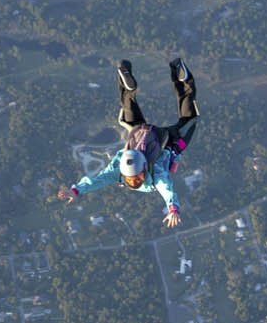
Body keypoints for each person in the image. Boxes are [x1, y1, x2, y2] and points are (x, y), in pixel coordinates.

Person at [58, 59, 199, 229]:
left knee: (190, 119)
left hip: (170, 143)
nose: (134, 182)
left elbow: (166, 188)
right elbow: (96, 181)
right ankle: (128, 89)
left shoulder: (143, 174)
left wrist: (173, 208)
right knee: (129, 107)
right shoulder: (119, 172)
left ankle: (183, 81)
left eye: (133, 179)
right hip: (140, 134)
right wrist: (76, 190)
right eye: (133, 179)